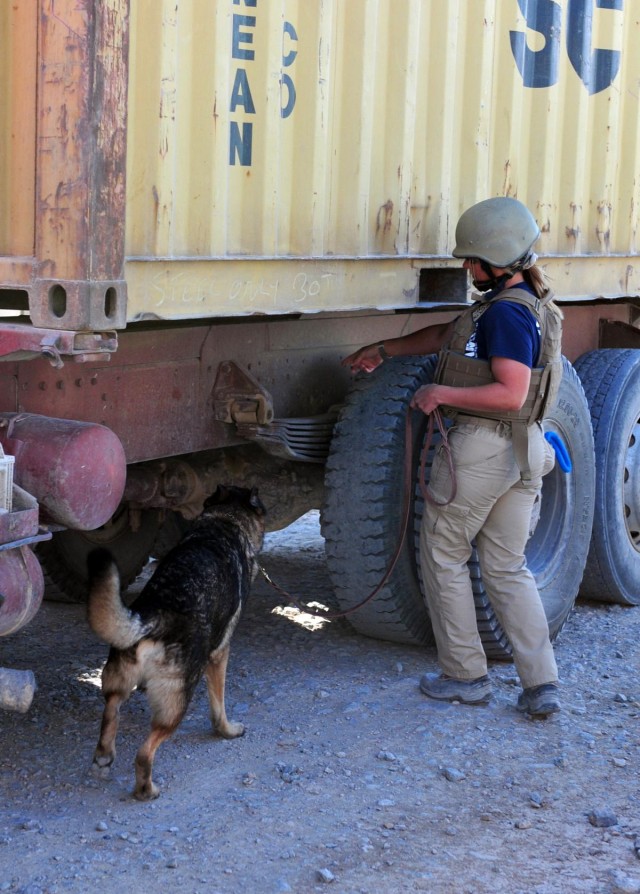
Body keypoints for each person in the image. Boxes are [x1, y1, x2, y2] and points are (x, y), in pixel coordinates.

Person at [343, 196, 563, 718]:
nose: (467, 267)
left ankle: (465, 675)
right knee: (507, 567)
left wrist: (441, 395)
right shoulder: (525, 302)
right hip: (523, 448)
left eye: (473, 259)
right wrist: (386, 349)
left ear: (500, 259)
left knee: (443, 552)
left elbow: (510, 391)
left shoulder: (506, 316)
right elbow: (452, 336)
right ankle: (541, 685)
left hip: (486, 446)